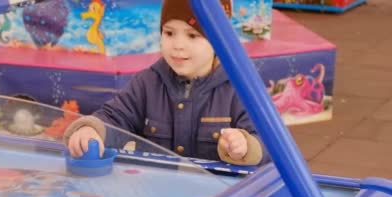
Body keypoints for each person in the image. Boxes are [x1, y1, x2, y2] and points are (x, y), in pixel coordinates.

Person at [63, 0, 269, 166]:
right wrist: (91, 130)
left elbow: (269, 143)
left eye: (192, 36)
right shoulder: (147, 82)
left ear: (218, 41)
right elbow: (115, 117)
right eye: (169, 33)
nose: (178, 45)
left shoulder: (241, 88)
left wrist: (245, 147)